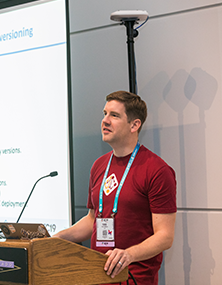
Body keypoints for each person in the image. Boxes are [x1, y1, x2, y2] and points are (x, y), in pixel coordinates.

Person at [54, 91, 176, 285]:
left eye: (114, 115)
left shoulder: (157, 170)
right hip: (96, 275)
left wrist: (128, 254)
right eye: (104, 113)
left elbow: (165, 236)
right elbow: (92, 219)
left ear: (135, 125)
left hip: (133, 277)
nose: (105, 121)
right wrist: (57, 237)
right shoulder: (99, 165)